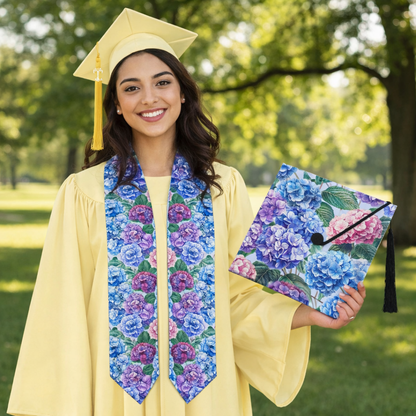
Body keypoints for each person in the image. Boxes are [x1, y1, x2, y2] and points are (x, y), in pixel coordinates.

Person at [7, 8, 366, 416]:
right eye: (131, 88)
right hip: (113, 396)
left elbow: (236, 300)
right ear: (117, 106)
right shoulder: (83, 194)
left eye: (162, 82)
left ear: (182, 93)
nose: (149, 98)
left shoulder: (223, 187)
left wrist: (310, 314)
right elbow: (62, 309)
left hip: (206, 395)